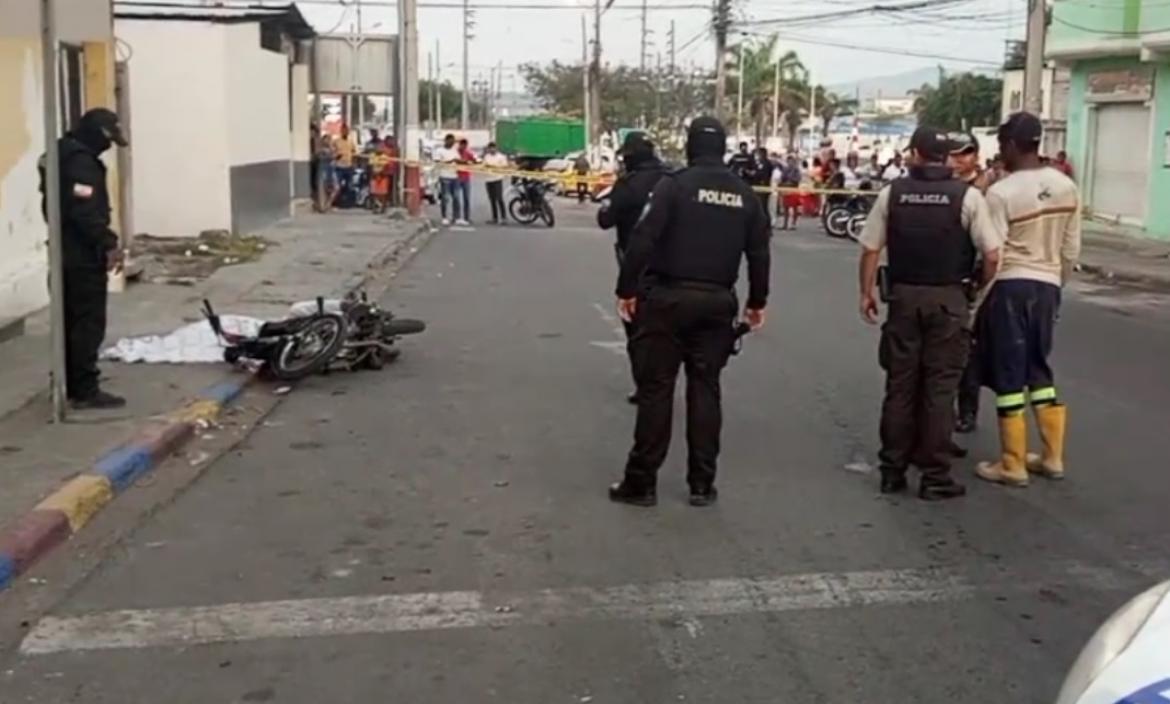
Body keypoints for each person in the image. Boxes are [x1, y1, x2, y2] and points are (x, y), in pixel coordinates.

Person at [610, 116, 770, 508]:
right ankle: (702, 483)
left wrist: (626, 289)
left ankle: (641, 482)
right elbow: (760, 253)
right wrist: (757, 302)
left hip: (667, 299)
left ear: (690, 146)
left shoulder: (674, 186)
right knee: (706, 390)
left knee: (656, 391)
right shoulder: (744, 194)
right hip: (717, 303)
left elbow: (643, 238)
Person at [857, 126, 1002, 500]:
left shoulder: (893, 193)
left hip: (903, 299)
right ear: (946, 157)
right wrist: (975, 288)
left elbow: (871, 248)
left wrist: (866, 293)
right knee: (940, 390)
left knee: (900, 386)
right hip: (949, 300)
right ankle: (935, 476)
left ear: (915, 154)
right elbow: (991, 255)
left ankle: (893, 470)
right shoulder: (967, 196)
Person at [974, 112, 1080, 488]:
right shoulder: (1066, 185)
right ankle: (1052, 457)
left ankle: (1012, 463)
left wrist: (977, 301)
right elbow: (1071, 249)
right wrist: (1056, 286)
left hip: (1010, 287)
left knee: (1008, 372)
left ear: (1015, 145)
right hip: (1048, 285)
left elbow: (993, 252)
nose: (1000, 152)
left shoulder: (1002, 192)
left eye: (1002, 145)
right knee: (1039, 368)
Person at [39, 108, 130, 408]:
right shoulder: (81, 164)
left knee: (69, 321)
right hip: (80, 256)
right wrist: (108, 244)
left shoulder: (62, 153)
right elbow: (85, 212)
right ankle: (84, 389)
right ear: (99, 133)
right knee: (86, 323)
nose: (108, 148)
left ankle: (67, 381)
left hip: (63, 251)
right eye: (109, 140)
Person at [597, 132, 668, 404]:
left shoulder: (628, 185)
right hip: (673, 265)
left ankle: (646, 386)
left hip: (636, 266)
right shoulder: (672, 178)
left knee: (637, 331)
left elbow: (605, 218)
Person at [434, 133, 462, 225]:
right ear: (446, 141)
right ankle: (444, 217)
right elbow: (437, 162)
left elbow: (459, 160)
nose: (452, 143)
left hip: (455, 176)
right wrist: (450, 161)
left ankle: (456, 217)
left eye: (453, 142)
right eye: (450, 141)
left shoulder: (455, 151)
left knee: (456, 197)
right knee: (445, 198)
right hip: (444, 176)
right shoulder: (439, 151)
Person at [483, 142, 509, 224]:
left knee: (499, 198)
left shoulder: (501, 157)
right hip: (488, 179)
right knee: (492, 199)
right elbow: (484, 165)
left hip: (497, 179)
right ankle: (494, 218)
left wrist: (494, 167)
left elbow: (505, 166)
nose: (492, 149)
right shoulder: (486, 156)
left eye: (493, 148)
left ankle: (504, 217)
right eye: (490, 148)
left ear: (496, 148)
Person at [333, 124, 357, 207]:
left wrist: (354, 164)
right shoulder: (336, 141)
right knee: (338, 186)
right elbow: (332, 152)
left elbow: (354, 153)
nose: (345, 132)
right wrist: (336, 156)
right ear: (341, 131)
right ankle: (337, 202)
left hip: (349, 166)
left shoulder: (351, 142)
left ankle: (347, 203)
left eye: (346, 130)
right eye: (343, 130)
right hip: (339, 166)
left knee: (349, 185)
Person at [778, 154, 803, 230]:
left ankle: (793, 224)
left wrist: (791, 181)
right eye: (788, 161)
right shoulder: (785, 169)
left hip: (793, 189)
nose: (790, 163)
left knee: (795, 207)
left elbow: (798, 179)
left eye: (791, 161)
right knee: (786, 207)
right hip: (786, 189)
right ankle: (785, 224)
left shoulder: (796, 170)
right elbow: (782, 179)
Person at [750, 146, 774, 217]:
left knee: (763, 207)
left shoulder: (766, 163)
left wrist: (756, 174)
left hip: (763, 187)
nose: (758, 155)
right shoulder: (758, 163)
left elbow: (764, 174)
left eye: (759, 154)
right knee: (759, 207)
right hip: (757, 187)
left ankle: (766, 223)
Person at [457, 138, 475, 223]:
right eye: (462, 145)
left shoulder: (468, 153)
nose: (463, 147)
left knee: (466, 198)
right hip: (456, 177)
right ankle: (456, 217)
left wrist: (469, 162)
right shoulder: (455, 153)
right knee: (456, 198)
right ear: (459, 145)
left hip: (466, 178)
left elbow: (475, 160)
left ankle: (466, 217)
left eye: (465, 145)